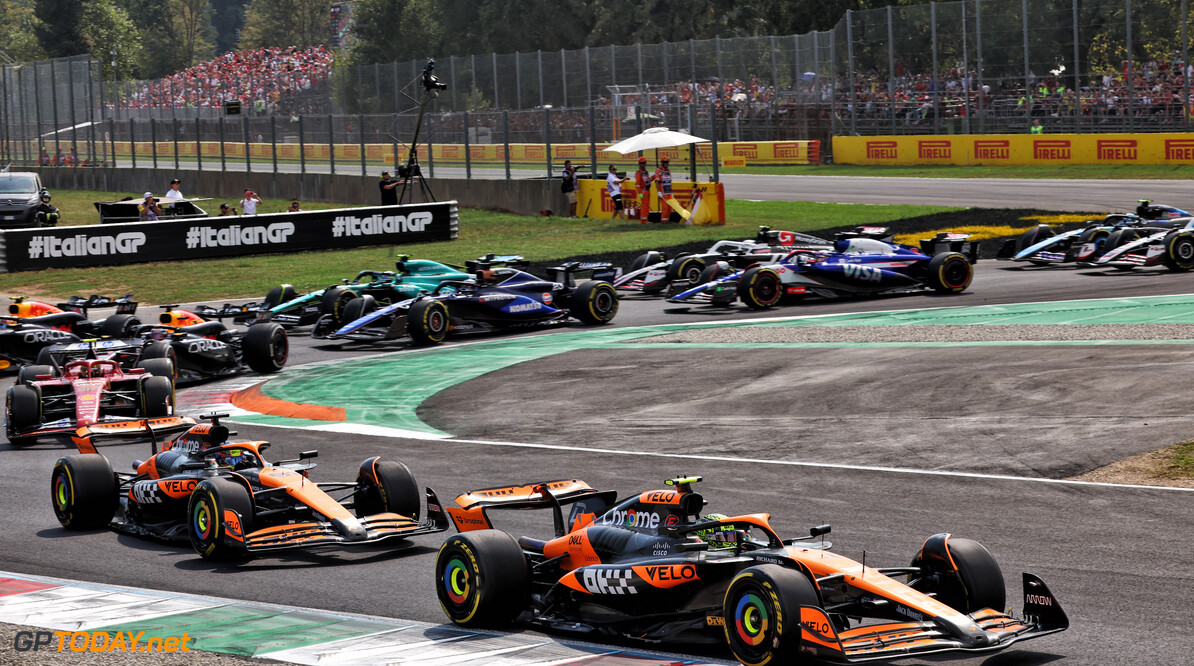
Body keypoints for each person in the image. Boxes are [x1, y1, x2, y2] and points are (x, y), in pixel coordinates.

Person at [653, 156, 676, 222]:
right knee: (665, 207)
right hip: (663, 192)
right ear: (662, 162)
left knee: (669, 206)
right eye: (665, 162)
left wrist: (672, 191)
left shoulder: (669, 171)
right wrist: (659, 192)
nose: (666, 163)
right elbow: (656, 181)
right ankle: (663, 221)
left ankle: (667, 220)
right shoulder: (659, 170)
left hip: (668, 191)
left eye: (667, 162)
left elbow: (670, 181)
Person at [634, 156, 651, 224]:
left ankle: (645, 220)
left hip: (647, 190)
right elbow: (637, 185)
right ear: (639, 164)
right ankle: (643, 221)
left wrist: (654, 176)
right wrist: (640, 194)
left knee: (647, 206)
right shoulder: (638, 173)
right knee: (644, 206)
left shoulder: (646, 172)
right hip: (643, 191)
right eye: (642, 163)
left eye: (644, 163)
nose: (644, 164)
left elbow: (648, 180)